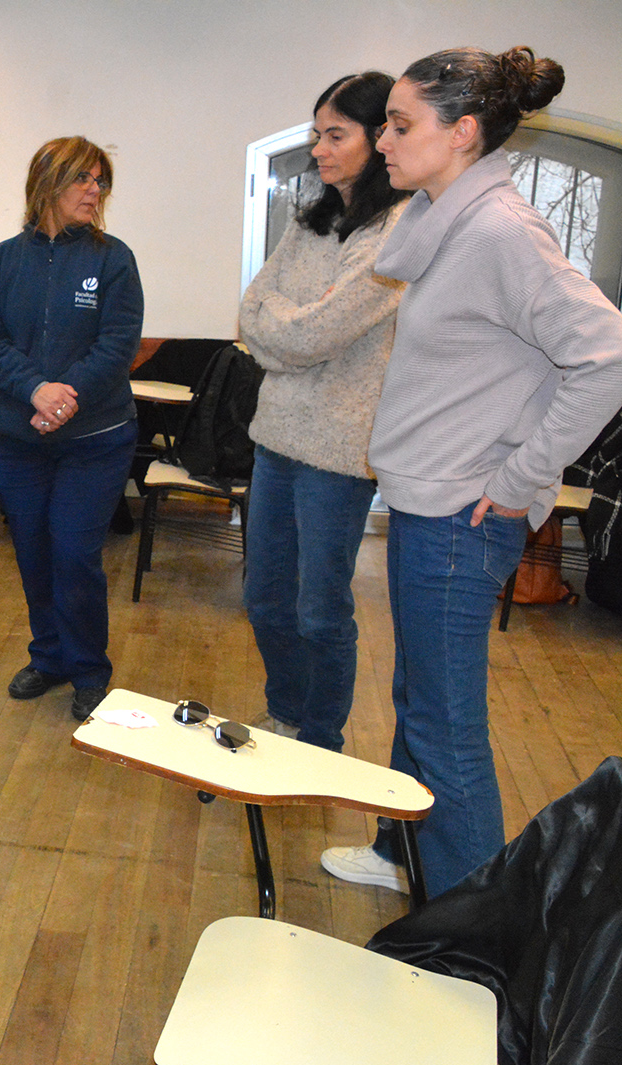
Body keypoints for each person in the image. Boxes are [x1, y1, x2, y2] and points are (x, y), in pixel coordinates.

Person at [322, 47, 622, 896]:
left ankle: (467, 930)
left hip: (464, 516)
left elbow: (607, 358)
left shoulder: (500, 232)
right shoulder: (448, 226)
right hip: (434, 503)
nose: (383, 140)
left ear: (462, 133)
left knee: (445, 726)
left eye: (400, 124)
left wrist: (522, 477)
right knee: (418, 696)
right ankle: (401, 852)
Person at [238, 74, 408, 753]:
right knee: (264, 599)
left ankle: (318, 740)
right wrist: (294, 330)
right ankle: (285, 713)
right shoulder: (311, 219)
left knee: (320, 612)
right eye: (317, 135)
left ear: (380, 138)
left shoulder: (398, 231)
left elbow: (313, 333)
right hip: (275, 437)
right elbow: (252, 312)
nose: (319, 149)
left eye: (335, 135)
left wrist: (288, 331)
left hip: (338, 453)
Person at [0, 137, 145, 723]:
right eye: (83, 179)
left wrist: (64, 395)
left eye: (100, 181)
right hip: (19, 439)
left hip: (94, 440)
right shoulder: (2, 260)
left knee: (74, 553)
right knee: (33, 553)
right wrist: (35, 391)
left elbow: (117, 344)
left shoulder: (113, 259)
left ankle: (89, 671)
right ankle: (48, 657)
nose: (95, 191)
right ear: (46, 184)